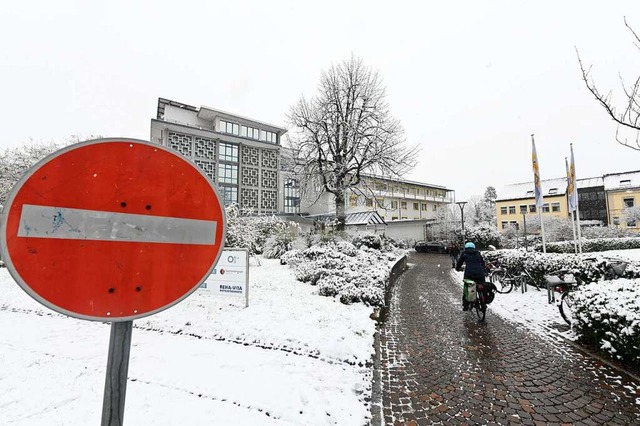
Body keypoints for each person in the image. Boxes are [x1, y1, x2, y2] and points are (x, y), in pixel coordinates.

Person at [456, 241, 487, 311]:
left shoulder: (465, 253)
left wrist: (457, 268)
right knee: (482, 285)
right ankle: (483, 301)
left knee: (467, 289)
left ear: (466, 247)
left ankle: (466, 306)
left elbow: (460, 262)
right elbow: (482, 263)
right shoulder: (478, 253)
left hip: (469, 274)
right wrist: (484, 270)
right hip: (480, 273)